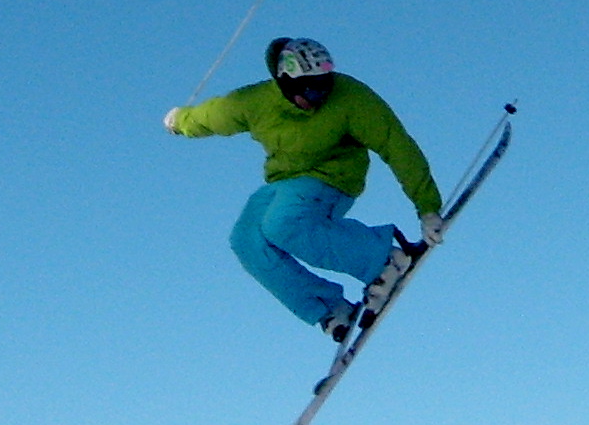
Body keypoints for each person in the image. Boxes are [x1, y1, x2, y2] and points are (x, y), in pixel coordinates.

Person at [164, 38, 444, 342]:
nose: (320, 96)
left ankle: (383, 260)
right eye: (311, 90)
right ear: (287, 84)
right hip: (284, 181)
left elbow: (396, 145)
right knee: (247, 240)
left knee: (283, 224)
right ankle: (330, 307)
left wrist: (427, 207)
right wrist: (180, 121)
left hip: (333, 177)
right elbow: (214, 115)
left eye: (325, 86)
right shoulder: (257, 102)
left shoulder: (351, 98)